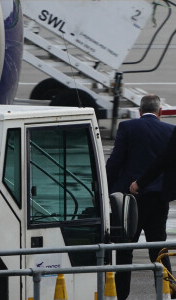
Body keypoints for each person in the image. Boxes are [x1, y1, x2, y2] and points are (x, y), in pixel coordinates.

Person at [106, 94, 175, 300]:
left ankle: (121, 295)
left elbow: (116, 161)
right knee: (158, 247)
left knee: (126, 248)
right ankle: (167, 292)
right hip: (158, 197)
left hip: (130, 199)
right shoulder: (170, 130)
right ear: (160, 112)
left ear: (139, 110)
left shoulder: (128, 127)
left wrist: (106, 188)